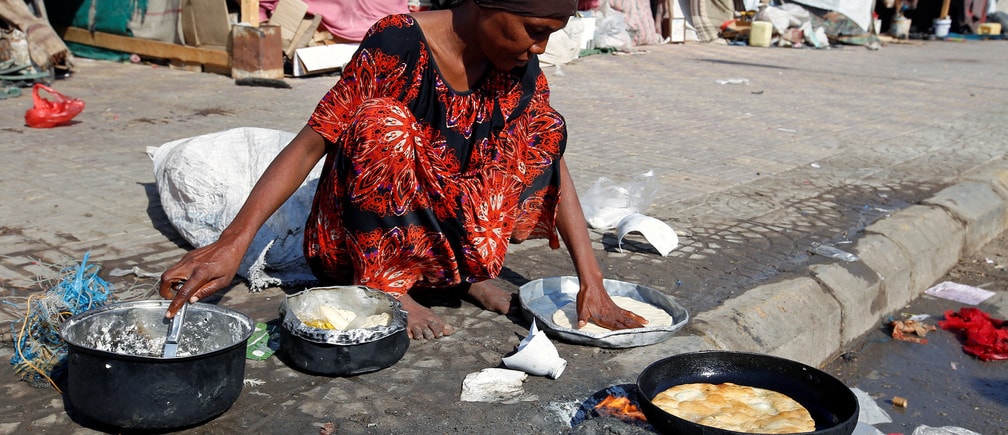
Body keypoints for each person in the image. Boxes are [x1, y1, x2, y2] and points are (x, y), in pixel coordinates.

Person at [158, 0, 647, 340]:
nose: (539, 48)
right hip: (356, 241)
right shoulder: (398, 41)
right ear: (486, 4)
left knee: (543, 125)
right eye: (535, 30)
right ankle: (384, 285)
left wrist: (593, 282)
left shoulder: (514, 65)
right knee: (380, 122)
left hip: (442, 230)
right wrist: (232, 242)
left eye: (550, 35)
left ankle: (460, 276)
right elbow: (310, 144)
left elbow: (553, 161)